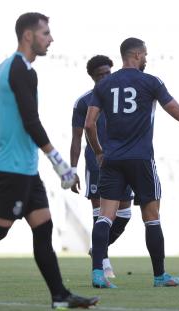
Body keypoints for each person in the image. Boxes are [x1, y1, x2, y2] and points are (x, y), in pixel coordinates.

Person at [0, 12, 99, 311]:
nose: (51, 39)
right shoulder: (21, 70)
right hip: (13, 167)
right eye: (46, 33)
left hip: (22, 166)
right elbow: (30, 121)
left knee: (43, 227)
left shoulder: (4, 69)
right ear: (28, 36)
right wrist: (59, 161)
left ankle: (60, 296)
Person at [84, 37, 179, 288]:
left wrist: (99, 152)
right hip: (141, 159)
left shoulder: (105, 84)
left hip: (112, 160)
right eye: (145, 55)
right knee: (151, 218)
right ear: (136, 55)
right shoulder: (151, 82)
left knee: (104, 217)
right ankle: (159, 276)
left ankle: (98, 273)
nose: (146, 59)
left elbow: (89, 124)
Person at [70, 55, 133, 278]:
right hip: (97, 163)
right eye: (100, 75)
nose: (105, 78)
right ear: (92, 77)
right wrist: (72, 169)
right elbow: (77, 138)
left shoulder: (123, 97)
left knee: (124, 214)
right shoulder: (84, 102)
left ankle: (98, 249)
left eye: (108, 73)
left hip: (124, 159)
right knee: (100, 214)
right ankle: (103, 265)